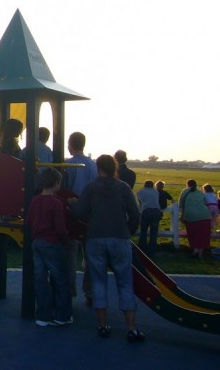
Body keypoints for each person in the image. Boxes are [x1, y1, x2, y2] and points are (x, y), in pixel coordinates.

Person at [70, 154, 144, 342]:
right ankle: (131, 328)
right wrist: (128, 231)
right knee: (125, 282)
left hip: (95, 237)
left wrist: (73, 205)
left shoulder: (91, 188)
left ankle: (102, 325)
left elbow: (79, 212)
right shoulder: (123, 188)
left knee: (98, 282)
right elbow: (135, 214)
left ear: (98, 168)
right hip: (120, 237)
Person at [26, 167, 72, 327]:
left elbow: (30, 220)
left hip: (37, 242)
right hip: (52, 242)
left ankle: (43, 315)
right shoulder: (56, 203)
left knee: (40, 279)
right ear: (56, 183)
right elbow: (59, 228)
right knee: (61, 278)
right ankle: (62, 315)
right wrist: (65, 241)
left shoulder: (35, 200)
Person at [63, 132, 97, 302]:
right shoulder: (93, 164)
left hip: (73, 212)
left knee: (70, 253)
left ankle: (70, 289)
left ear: (70, 144)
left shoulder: (69, 164)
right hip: (90, 212)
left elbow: (65, 188)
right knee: (90, 255)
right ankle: (90, 291)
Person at [179, 179, 211, 258]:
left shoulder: (185, 191)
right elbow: (205, 202)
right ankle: (200, 253)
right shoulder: (200, 192)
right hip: (205, 215)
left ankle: (195, 250)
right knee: (202, 234)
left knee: (193, 233)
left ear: (187, 185)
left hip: (191, 215)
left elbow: (181, 203)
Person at [136, 180, 161, 257]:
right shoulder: (156, 191)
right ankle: (152, 251)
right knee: (154, 232)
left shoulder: (140, 191)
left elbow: (140, 203)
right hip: (156, 211)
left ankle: (142, 250)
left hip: (146, 211)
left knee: (143, 231)